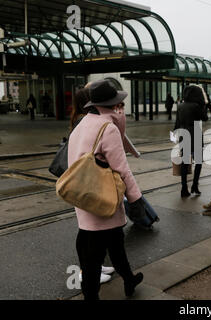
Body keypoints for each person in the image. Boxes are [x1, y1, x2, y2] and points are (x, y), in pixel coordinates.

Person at [68, 80, 144, 300]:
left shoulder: (82, 124)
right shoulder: (107, 128)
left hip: (83, 194)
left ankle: (129, 279)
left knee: (115, 243)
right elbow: (122, 169)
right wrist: (136, 199)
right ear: (112, 104)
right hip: (102, 199)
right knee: (94, 259)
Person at [174, 85, 208, 197]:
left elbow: (177, 124)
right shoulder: (197, 106)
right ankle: (195, 185)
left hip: (183, 134)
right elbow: (205, 117)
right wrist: (204, 103)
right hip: (196, 134)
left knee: (184, 163)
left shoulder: (180, 106)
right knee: (198, 161)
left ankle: (184, 188)